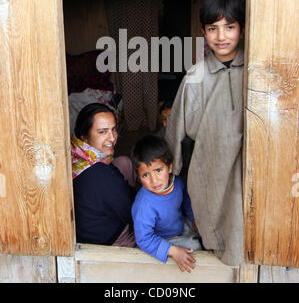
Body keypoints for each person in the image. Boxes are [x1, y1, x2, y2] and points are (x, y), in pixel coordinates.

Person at [165, 0, 245, 266]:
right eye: (213, 28)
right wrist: (171, 169)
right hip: (208, 167)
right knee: (214, 221)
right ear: (203, 32)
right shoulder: (195, 77)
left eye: (230, 27)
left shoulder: (256, 71)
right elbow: (175, 128)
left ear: (242, 29)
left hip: (247, 166)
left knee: (243, 220)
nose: (221, 36)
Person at [131, 135, 202, 273]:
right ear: (138, 178)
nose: (154, 180)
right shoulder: (144, 205)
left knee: (206, 232)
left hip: (180, 225)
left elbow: (187, 200)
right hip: (163, 239)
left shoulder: (178, 183)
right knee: (195, 249)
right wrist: (173, 251)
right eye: (145, 175)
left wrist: (194, 219)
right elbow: (143, 239)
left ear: (169, 167)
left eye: (158, 170)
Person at [71, 102, 136, 247]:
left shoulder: (76, 153)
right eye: (102, 132)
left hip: (88, 218)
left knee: (124, 163)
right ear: (85, 137)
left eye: (113, 129)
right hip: (106, 239)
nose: (112, 138)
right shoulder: (100, 175)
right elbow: (130, 212)